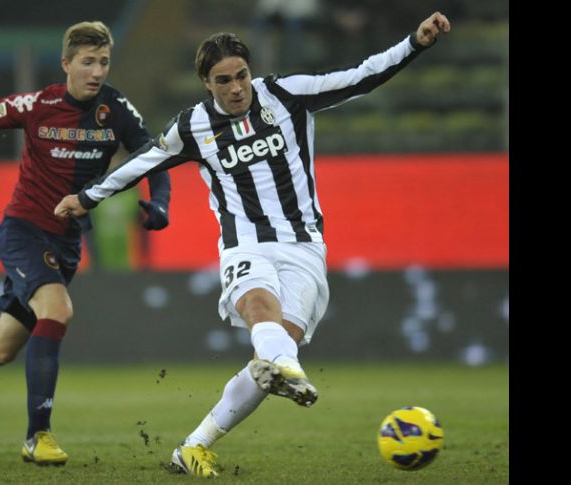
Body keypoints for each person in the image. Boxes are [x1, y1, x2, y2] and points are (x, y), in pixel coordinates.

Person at [55, 12, 450, 477]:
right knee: (262, 316)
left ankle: (194, 445)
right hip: (246, 247)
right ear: (206, 83)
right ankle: (291, 369)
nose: (237, 87)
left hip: (304, 247)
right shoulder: (193, 126)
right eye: (224, 80)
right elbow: (142, 163)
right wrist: (86, 197)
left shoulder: (285, 94)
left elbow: (361, 76)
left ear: (250, 71)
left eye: (241, 75)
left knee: (269, 362)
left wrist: (414, 43)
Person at [0, 20, 171, 466]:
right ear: (66, 64)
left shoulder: (117, 109)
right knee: (58, 309)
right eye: (87, 62)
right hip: (24, 230)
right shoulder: (38, 104)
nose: (97, 71)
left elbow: (155, 156)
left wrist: (159, 200)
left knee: (0, 349)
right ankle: (36, 435)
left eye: (103, 61)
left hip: (65, 243)